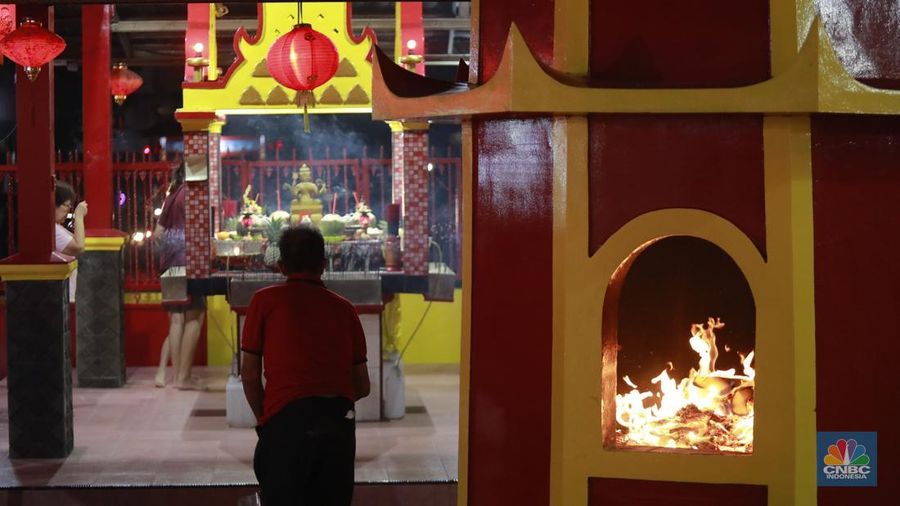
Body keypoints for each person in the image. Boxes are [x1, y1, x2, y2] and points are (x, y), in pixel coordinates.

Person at [241, 225, 370, 506]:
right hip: (338, 423)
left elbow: (249, 375)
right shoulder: (345, 309)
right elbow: (362, 385)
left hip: (285, 422)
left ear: (281, 266)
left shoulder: (263, 302)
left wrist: (269, 420)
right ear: (324, 265)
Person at [154, 165, 206, 390]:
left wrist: (171, 250)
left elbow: (157, 235)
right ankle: (184, 378)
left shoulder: (171, 196)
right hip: (189, 262)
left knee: (176, 319)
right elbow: (200, 231)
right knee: (195, 316)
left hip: (168, 264)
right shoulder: (191, 196)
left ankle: (178, 377)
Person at [54, 180, 87, 301]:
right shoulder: (52, 230)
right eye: (67, 205)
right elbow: (79, 246)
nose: (68, 210)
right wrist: (78, 216)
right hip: (61, 297)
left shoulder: (57, 227)